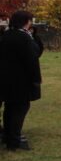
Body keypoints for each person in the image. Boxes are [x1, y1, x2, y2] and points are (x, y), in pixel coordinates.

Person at [0, 10, 42, 150]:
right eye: (30, 20)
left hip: (6, 79)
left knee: (10, 108)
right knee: (20, 109)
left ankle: (8, 136)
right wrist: (36, 79)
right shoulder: (24, 37)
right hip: (21, 80)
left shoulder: (6, 35)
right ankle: (15, 140)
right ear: (26, 22)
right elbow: (33, 56)